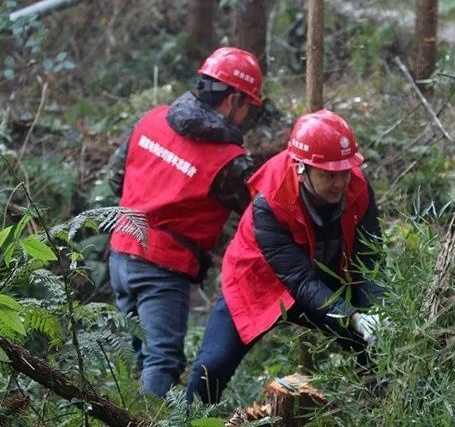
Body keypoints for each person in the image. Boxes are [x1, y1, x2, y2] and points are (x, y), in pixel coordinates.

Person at [185, 109, 384, 404]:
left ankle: (378, 409)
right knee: (211, 366)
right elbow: (300, 281)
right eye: (329, 175)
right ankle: (186, 418)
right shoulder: (271, 200)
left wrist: (375, 312)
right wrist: (351, 316)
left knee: (376, 345)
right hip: (258, 282)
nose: (341, 182)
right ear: (301, 168)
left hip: (324, 282)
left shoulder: (358, 186)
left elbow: (369, 258)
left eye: (344, 171)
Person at [107, 47, 265, 397]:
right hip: (162, 270)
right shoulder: (230, 163)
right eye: (248, 107)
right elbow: (263, 215)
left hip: (119, 256)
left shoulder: (151, 118)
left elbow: (116, 179)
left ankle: (125, 415)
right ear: (233, 100)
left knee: (139, 357)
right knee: (161, 360)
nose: (246, 116)